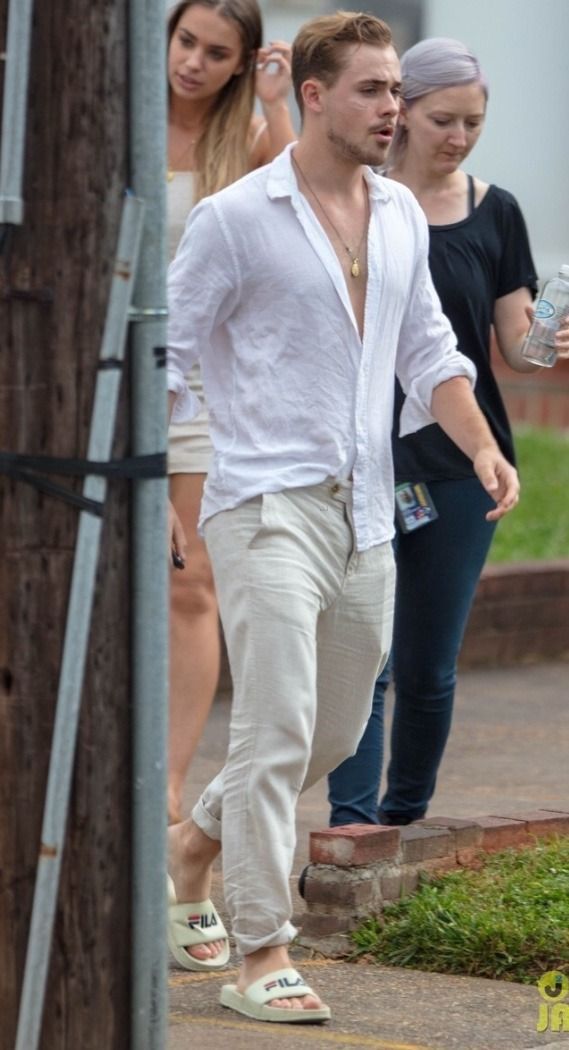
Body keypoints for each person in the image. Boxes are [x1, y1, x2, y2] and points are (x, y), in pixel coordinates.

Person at [166, 13, 520, 1023]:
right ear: (313, 95)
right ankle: (258, 950)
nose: (392, 110)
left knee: (325, 734)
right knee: (275, 727)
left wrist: (484, 446)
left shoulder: (402, 214)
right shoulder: (236, 218)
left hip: (369, 512)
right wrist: (172, 493)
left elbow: (429, 353)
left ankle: (195, 842)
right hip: (263, 503)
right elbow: (173, 356)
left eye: (395, 91)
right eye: (373, 90)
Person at [327, 37, 569, 831]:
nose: (459, 136)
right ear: (402, 112)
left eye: (473, 121)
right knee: (367, 659)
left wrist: (547, 343)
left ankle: (401, 825)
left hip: (464, 462)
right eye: (443, 119)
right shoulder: (357, 198)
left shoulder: (495, 212)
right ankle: (351, 829)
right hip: (366, 457)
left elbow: (514, 347)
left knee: (429, 667)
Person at [166, 0, 295, 825]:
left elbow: (300, 212)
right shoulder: (112, 120)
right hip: (93, 366)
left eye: (217, 53)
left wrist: (277, 103)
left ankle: (170, 784)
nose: (194, 63)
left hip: (200, 382)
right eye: (185, 41)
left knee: (191, 582)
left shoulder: (244, 137)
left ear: (241, 62)